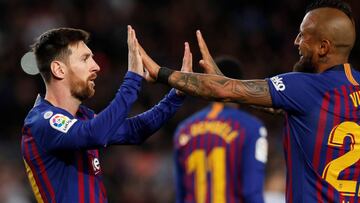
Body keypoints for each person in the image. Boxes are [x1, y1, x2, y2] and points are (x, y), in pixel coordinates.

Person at [139, 0, 360, 202]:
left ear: (324, 47)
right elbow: (283, 109)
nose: (296, 42)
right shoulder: (342, 93)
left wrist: (161, 73)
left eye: (303, 36)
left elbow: (223, 91)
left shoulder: (306, 87)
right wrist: (229, 88)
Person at [20, 25, 192, 202]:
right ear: (59, 70)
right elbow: (95, 134)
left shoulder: (83, 117)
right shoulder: (41, 121)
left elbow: (134, 131)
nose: (96, 67)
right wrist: (133, 78)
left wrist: (176, 95)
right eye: (85, 59)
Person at [173, 56, 268, 203]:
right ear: (240, 86)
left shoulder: (184, 129)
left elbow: (180, 195)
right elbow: (252, 192)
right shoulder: (251, 128)